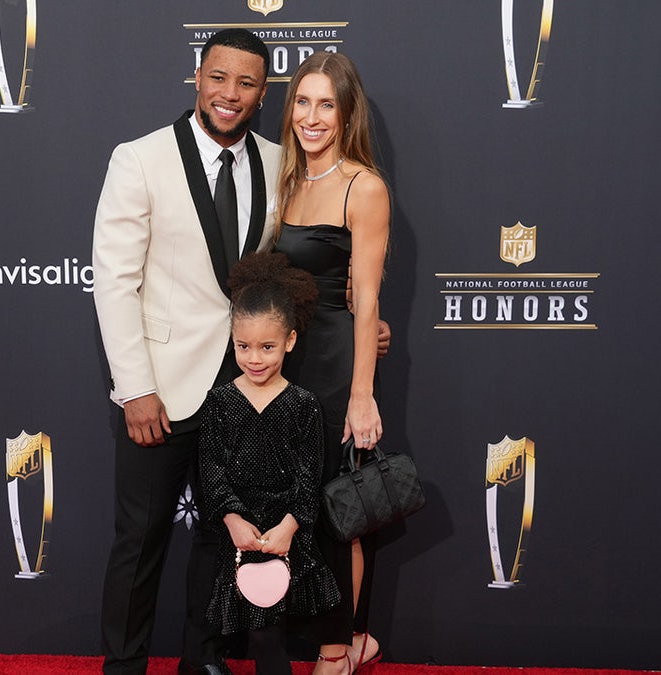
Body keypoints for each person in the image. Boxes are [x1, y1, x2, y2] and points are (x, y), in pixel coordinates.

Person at [92, 29, 278, 675]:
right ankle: (124, 665)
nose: (231, 94)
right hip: (163, 389)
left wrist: (362, 325)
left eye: (247, 83)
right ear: (198, 78)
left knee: (220, 535)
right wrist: (135, 387)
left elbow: (293, 271)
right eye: (219, 77)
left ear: (261, 93)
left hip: (246, 388)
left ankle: (204, 659)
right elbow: (115, 282)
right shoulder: (138, 159)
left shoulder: (279, 162)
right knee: (139, 539)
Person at [272, 52, 390, 674]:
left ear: (347, 114)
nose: (312, 117)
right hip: (288, 367)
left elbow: (367, 297)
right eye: (302, 101)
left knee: (337, 506)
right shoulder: (289, 179)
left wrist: (362, 393)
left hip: (339, 366)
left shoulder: (362, 186)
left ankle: (337, 651)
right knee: (300, 503)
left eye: (327, 104)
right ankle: (351, 639)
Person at [197, 252, 341, 675]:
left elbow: (309, 474)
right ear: (232, 340)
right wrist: (233, 521)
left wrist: (290, 526)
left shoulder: (303, 405)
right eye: (243, 346)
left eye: (267, 347)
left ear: (290, 341)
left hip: (285, 533)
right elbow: (212, 471)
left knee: (273, 628)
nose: (254, 358)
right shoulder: (220, 402)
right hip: (241, 535)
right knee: (261, 631)